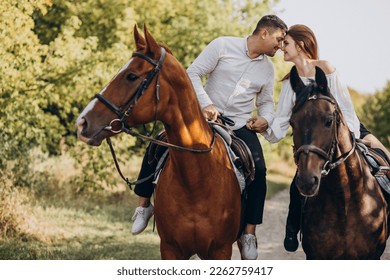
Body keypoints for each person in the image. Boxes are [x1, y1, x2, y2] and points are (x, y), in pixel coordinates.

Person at [131, 14, 288, 260]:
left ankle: (248, 233)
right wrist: (206, 104)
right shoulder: (222, 45)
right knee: (158, 145)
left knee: (259, 169)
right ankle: (143, 206)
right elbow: (192, 73)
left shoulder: (268, 69)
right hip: (202, 119)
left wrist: (265, 119)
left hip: (238, 126)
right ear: (264, 33)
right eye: (279, 40)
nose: (280, 46)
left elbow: (266, 102)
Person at [258, 24, 390, 252]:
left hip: (346, 130)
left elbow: (346, 109)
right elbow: (281, 120)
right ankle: (292, 230)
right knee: (298, 182)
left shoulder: (326, 68)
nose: (281, 49)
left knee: (385, 161)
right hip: (313, 138)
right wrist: (264, 128)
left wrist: (354, 139)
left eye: (286, 44)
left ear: (300, 45)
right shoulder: (290, 81)